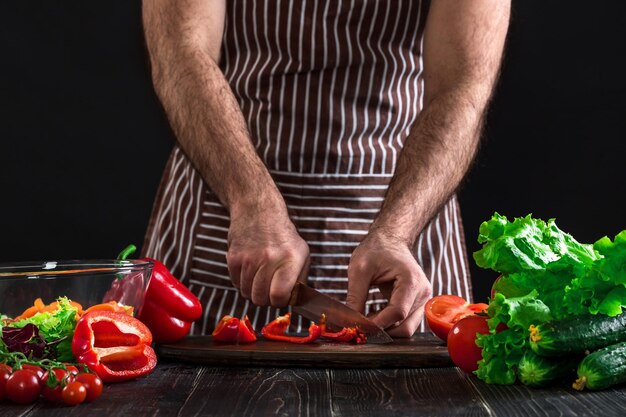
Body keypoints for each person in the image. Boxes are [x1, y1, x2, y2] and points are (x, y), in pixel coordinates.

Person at [140, 0, 511, 337]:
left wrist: (397, 233)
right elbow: (180, 51)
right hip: (226, 216)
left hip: (409, 224)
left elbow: (462, 87)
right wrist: (251, 202)